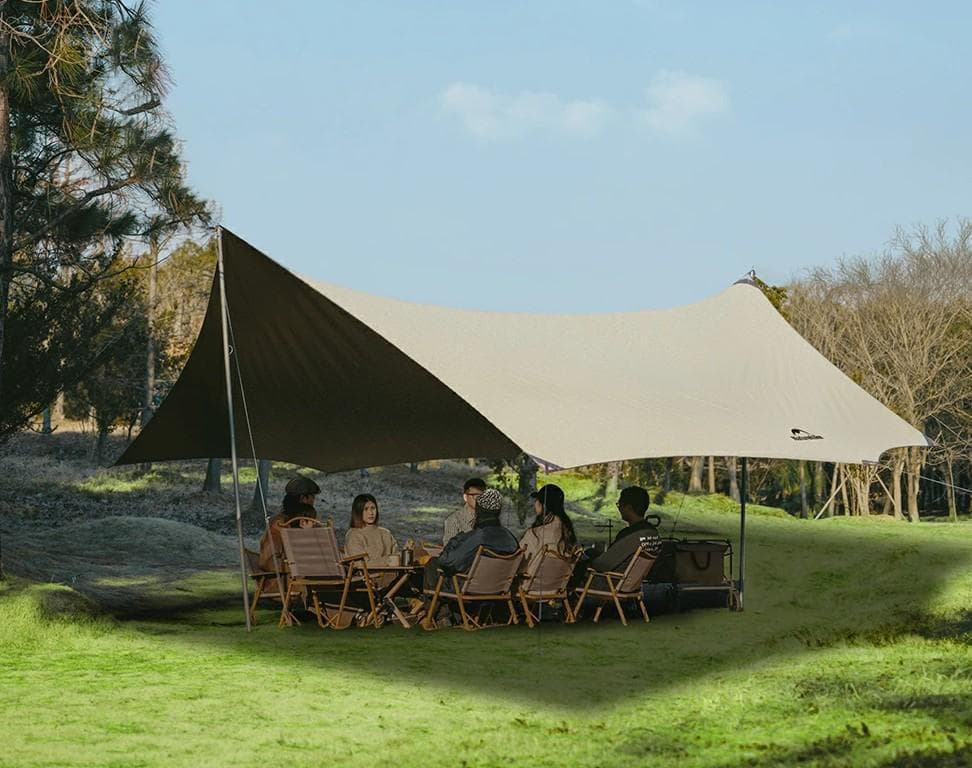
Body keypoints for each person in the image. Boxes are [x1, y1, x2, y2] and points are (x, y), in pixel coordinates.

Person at [424, 487, 518, 590]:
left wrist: (454, 542)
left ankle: (429, 600)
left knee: (433, 564)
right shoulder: (510, 538)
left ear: (478, 511)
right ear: (499, 511)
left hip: (467, 589)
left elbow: (448, 562)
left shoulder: (477, 538)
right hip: (499, 590)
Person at [587, 485, 662, 576]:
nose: (619, 508)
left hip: (610, 580)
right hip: (633, 581)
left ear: (628, 508)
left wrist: (589, 557)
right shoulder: (653, 532)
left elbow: (604, 564)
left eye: (619, 505)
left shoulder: (630, 535)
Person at [258, 475, 320, 572]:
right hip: (285, 575)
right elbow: (269, 561)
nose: (313, 501)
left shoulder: (303, 521)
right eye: (312, 497)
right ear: (303, 498)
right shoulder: (280, 524)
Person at [519, 483, 578, 567]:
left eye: (537, 500)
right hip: (558, 575)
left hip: (533, 575)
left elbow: (519, 561)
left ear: (543, 505)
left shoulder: (534, 534)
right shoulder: (566, 532)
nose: (535, 503)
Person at [344, 494, 400, 566]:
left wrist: (406, 552)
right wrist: (388, 561)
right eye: (366, 509)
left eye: (373, 508)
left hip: (392, 571)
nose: (371, 513)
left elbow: (396, 556)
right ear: (358, 511)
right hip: (368, 573)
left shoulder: (385, 533)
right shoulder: (353, 535)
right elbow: (361, 564)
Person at [442, 477, 485, 545]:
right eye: (475, 496)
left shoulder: (490, 517)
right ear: (465, 497)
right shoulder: (454, 520)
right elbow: (449, 548)